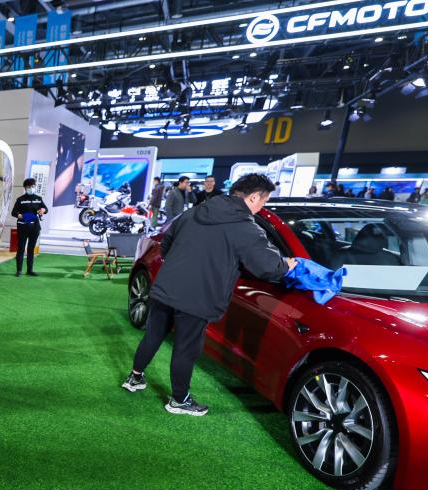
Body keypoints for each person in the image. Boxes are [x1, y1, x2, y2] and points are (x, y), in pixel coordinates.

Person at [122, 174, 297, 416]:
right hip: (198, 297)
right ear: (254, 197)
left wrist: (181, 267)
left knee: (153, 336)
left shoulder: (195, 212)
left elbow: (167, 243)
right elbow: (266, 267)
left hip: (167, 287)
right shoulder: (246, 228)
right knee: (186, 349)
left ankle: (134, 378)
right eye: (263, 201)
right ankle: (179, 400)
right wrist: (287, 266)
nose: (262, 207)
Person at [10, 177, 47, 277]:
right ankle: (19, 270)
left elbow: (45, 209)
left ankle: (30, 270)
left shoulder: (38, 199)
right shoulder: (20, 199)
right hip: (23, 226)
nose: (31, 188)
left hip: (34, 227)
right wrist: (20, 215)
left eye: (33, 186)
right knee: (21, 248)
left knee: (31, 249)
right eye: (29, 187)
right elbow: (13, 212)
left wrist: (43, 210)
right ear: (25, 188)